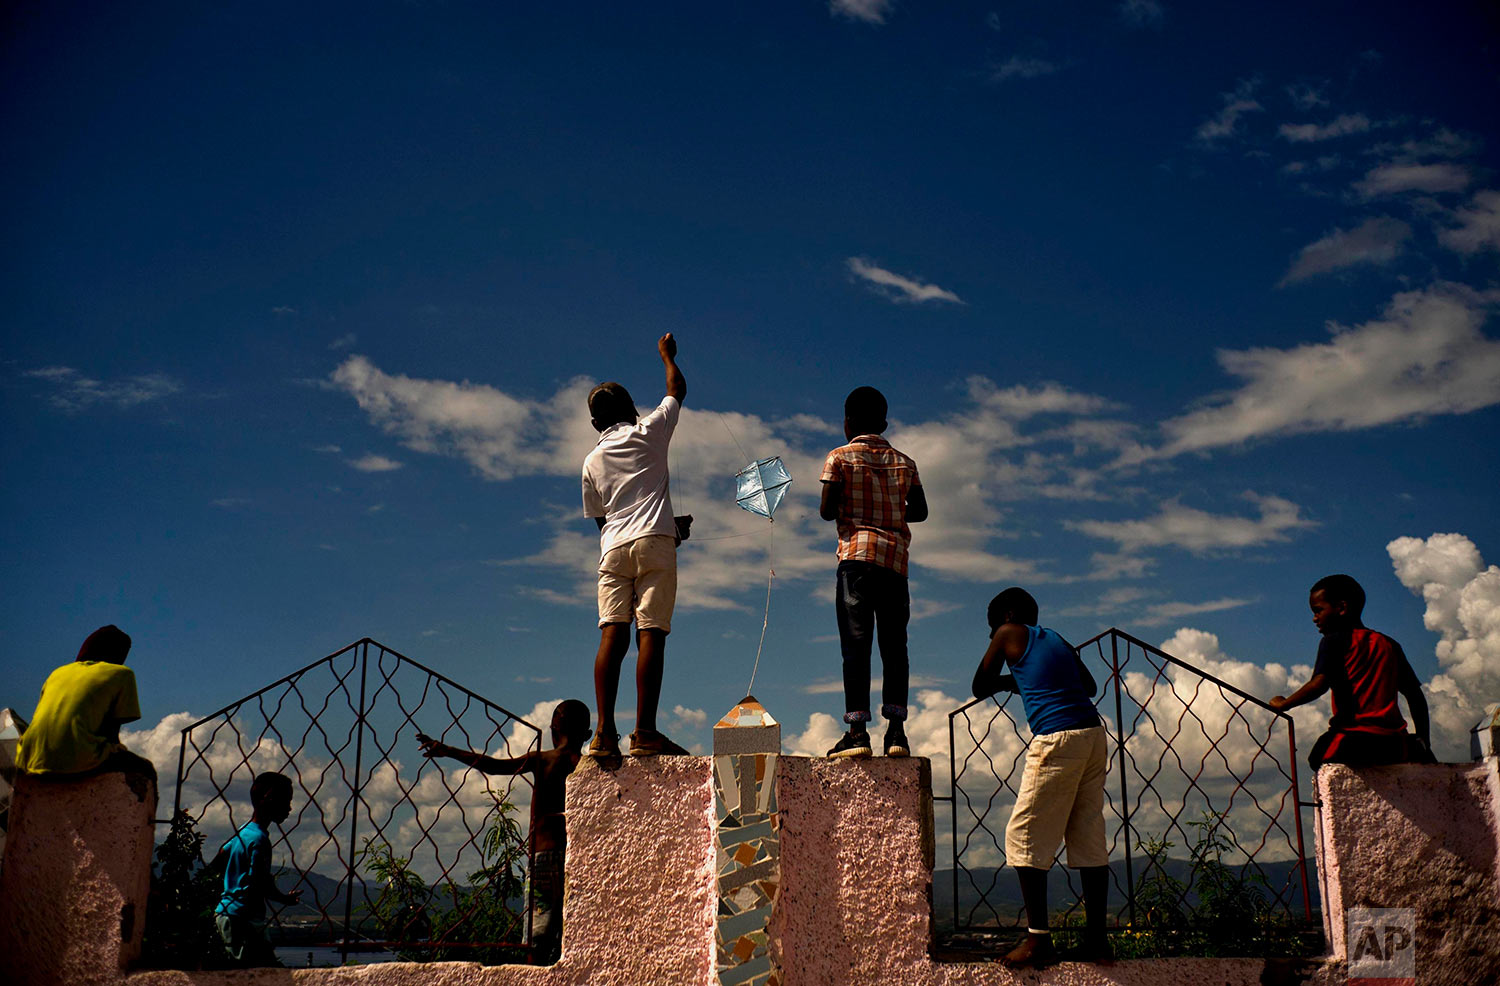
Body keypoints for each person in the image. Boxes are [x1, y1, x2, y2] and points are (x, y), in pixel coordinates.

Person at [972, 587, 1110, 968]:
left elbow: (979, 686)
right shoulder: (1058, 639)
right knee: (1087, 835)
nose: (995, 634)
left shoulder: (1009, 632)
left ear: (1010, 615)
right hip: (1093, 736)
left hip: (1057, 737)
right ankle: (1097, 941)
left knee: (1023, 835)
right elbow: (1091, 687)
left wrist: (1008, 682)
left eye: (994, 625)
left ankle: (1038, 941)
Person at [581, 333, 691, 758]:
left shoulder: (591, 461)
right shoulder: (650, 430)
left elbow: (603, 519)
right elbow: (676, 390)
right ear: (632, 410)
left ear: (595, 425)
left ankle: (604, 733)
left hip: (612, 549)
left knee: (612, 635)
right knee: (652, 634)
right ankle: (644, 732)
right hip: (654, 544)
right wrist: (667, 356)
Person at [417, 699, 591, 964]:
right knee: (575, 934)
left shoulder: (543, 760)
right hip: (576, 859)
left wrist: (448, 750)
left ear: (553, 728)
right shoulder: (588, 767)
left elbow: (494, 766)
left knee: (536, 941)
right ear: (587, 735)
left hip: (543, 856)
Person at [819, 386, 927, 758]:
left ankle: (857, 732)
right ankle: (896, 733)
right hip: (894, 563)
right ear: (884, 422)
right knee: (895, 646)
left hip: (856, 560)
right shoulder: (904, 462)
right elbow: (921, 511)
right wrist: (891, 512)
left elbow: (827, 509)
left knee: (856, 644)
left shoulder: (838, 457)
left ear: (847, 422)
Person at [1270, 573, 1434, 769]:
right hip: (1395, 743)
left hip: (1355, 740)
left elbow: (1319, 684)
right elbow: (1415, 696)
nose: (1315, 618)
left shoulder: (1333, 641)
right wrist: (1424, 742)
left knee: (1318, 755)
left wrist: (1284, 704)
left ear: (1341, 608)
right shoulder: (1389, 644)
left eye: (1318, 611)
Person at [17, 625, 154, 778]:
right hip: (76, 759)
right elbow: (112, 733)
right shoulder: (122, 673)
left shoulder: (58, 672)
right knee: (145, 769)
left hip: (27, 757)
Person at [212, 771, 303, 967]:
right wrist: (284, 899)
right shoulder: (260, 840)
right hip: (243, 920)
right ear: (269, 799)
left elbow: (220, 857)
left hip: (228, 913)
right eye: (286, 801)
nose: (289, 808)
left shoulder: (244, 832)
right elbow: (259, 883)